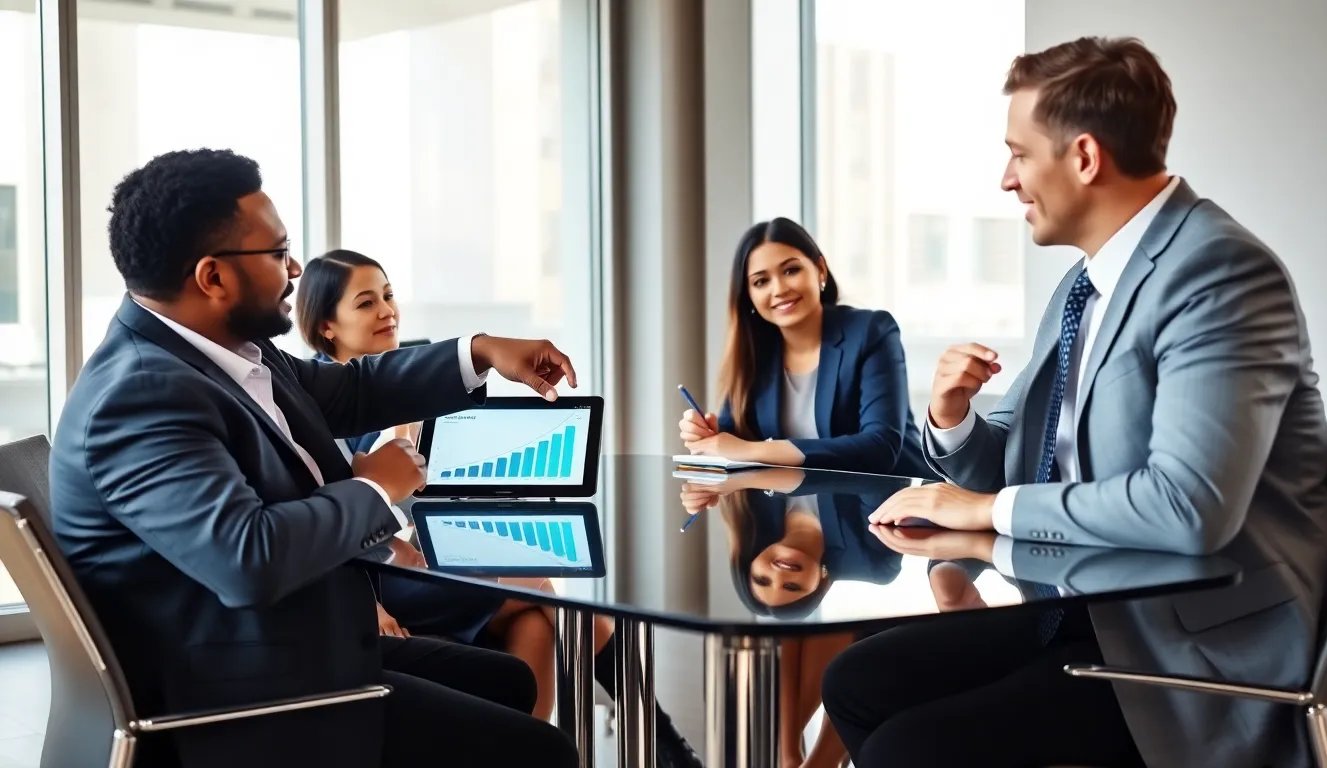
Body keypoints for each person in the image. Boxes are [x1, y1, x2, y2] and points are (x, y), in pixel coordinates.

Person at [823, 37, 1327, 768]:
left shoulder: (1221, 275)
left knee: (911, 748)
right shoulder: (1085, 284)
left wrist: (987, 511)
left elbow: (1188, 507)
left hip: (1193, 655)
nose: (1006, 179)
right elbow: (1030, 461)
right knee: (858, 679)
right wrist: (954, 419)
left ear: (1084, 158)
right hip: (1086, 610)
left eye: (1019, 154)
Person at [47, 148, 584, 768]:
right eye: (278, 253)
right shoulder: (142, 394)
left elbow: (353, 390)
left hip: (285, 644)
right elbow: (248, 558)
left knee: (509, 681)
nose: (296, 267)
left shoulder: (230, 349)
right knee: (540, 753)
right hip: (238, 699)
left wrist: (482, 351)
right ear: (212, 277)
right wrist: (376, 489)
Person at [294, 249, 704, 768]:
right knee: (540, 587)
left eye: (389, 295)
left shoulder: (409, 384)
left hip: (415, 555)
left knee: (534, 620)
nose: (386, 311)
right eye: (366, 302)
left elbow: (440, 490)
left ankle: (535, 750)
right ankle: (659, 735)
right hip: (378, 573)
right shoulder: (319, 403)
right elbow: (341, 518)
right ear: (327, 325)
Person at [681, 469, 904, 768]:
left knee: (809, 623)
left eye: (761, 579)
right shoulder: (861, 559)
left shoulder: (750, 511)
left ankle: (798, 757)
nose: (778, 574)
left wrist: (704, 459)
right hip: (856, 596)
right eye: (790, 585)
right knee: (796, 623)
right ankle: (790, 754)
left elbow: (879, 472)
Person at [678, 217, 933, 478]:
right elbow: (734, 440)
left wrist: (752, 451)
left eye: (791, 270)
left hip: (890, 506)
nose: (779, 289)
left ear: (820, 269)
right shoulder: (756, 350)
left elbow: (880, 447)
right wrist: (709, 436)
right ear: (749, 297)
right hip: (793, 501)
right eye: (761, 281)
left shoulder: (871, 331)